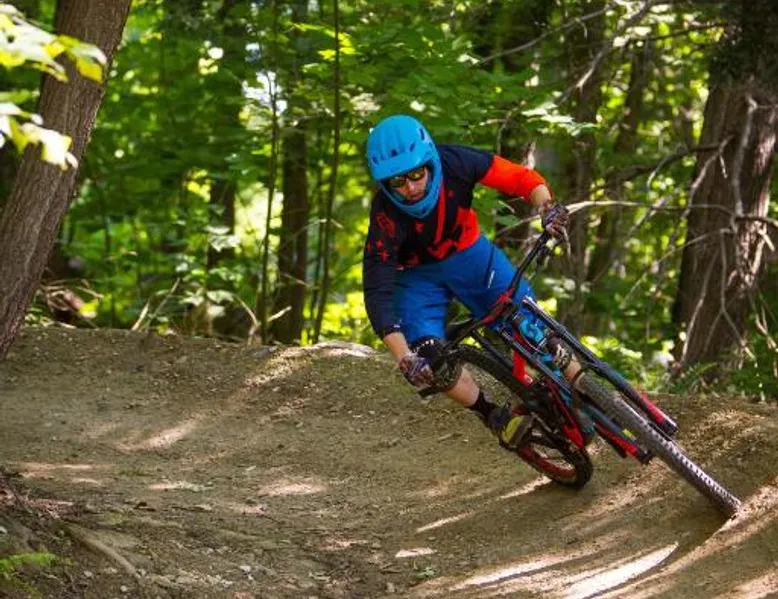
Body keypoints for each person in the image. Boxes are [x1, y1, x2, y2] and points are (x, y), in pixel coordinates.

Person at [361, 114, 572, 450]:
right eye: (398, 181)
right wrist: (405, 357)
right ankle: (492, 415)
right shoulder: (385, 216)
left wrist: (546, 207)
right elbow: (378, 292)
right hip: (416, 281)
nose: (411, 188)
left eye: (416, 174)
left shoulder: (456, 162)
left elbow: (519, 178)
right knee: (432, 361)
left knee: (528, 318)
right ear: (385, 183)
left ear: (429, 162)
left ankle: (582, 386)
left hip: (469, 254)